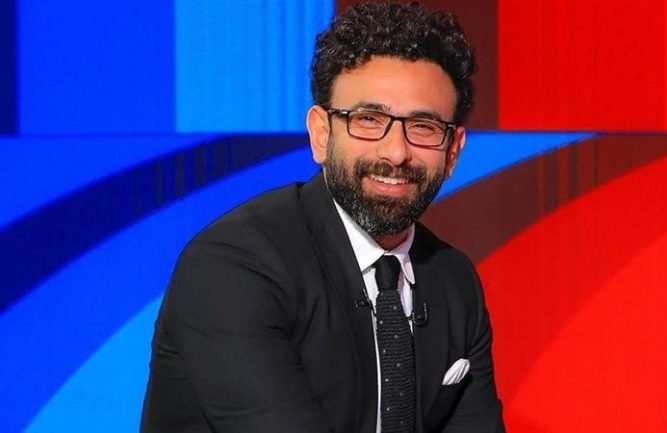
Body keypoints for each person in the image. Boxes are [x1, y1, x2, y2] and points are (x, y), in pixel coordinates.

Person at [141, 2, 504, 432]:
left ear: (453, 151)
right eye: (368, 120)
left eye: (423, 127)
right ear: (321, 134)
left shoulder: (453, 280)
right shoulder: (232, 265)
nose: (395, 152)